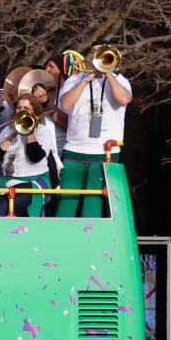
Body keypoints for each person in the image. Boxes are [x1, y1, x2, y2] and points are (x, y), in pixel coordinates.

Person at [54, 44, 132, 217]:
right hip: (74, 149)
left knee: (93, 204)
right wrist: (84, 80)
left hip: (104, 152)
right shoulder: (75, 80)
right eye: (93, 51)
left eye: (102, 52)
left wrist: (108, 72)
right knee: (66, 202)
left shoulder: (120, 80)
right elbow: (65, 104)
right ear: (87, 56)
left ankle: (89, 241)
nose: (97, 55)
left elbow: (124, 99)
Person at [0, 102, 58, 217]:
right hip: (9, 181)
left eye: (26, 108)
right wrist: (11, 136)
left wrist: (28, 130)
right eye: (19, 107)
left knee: (5, 204)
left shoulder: (42, 130)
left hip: (34, 181)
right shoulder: (8, 129)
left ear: (34, 112)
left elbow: (35, 157)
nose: (21, 111)